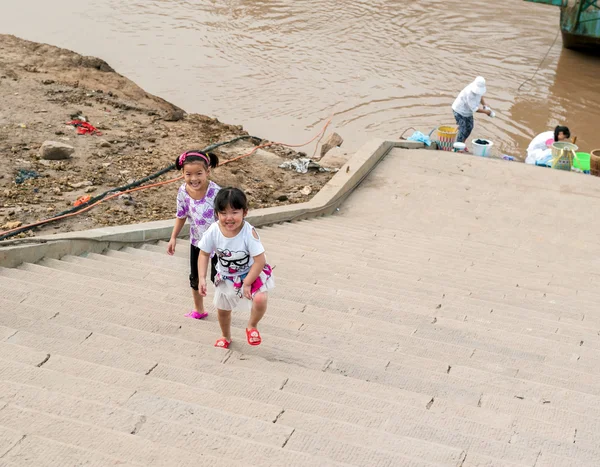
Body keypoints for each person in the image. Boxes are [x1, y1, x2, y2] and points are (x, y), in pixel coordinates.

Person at [197, 187, 274, 349]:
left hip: (251, 272)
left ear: (244, 212)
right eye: (223, 213)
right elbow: (204, 254)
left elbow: (259, 261)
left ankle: (252, 326)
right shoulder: (214, 230)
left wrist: (247, 282)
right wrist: (202, 277)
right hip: (226, 276)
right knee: (223, 310)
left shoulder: (248, 232)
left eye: (234, 212)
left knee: (260, 299)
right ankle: (225, 336)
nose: (229, 218)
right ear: (217, 213)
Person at [167, 150, 220, 319]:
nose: (194, 179)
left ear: (207, 172)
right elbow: (181, 215)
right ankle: (199, 310)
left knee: (219, 279)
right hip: (197, 242)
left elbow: (228, 218)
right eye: (188, 174)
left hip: (218, 245)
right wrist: (173, 237)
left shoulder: (217, 193)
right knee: (195, 277)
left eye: (199, 173)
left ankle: (224, 310)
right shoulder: (183, 191)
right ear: (182, 173)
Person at [452, 76, 493, 145]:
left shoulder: (477, 89)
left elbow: (480, 96)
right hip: (459, 110)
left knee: (469, 127)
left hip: (467, 111)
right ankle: (458, 147)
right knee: (463, 128)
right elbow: (474, 109)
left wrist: (484, 104)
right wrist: (486, 112)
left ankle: (463, 143)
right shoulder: (469, 93)